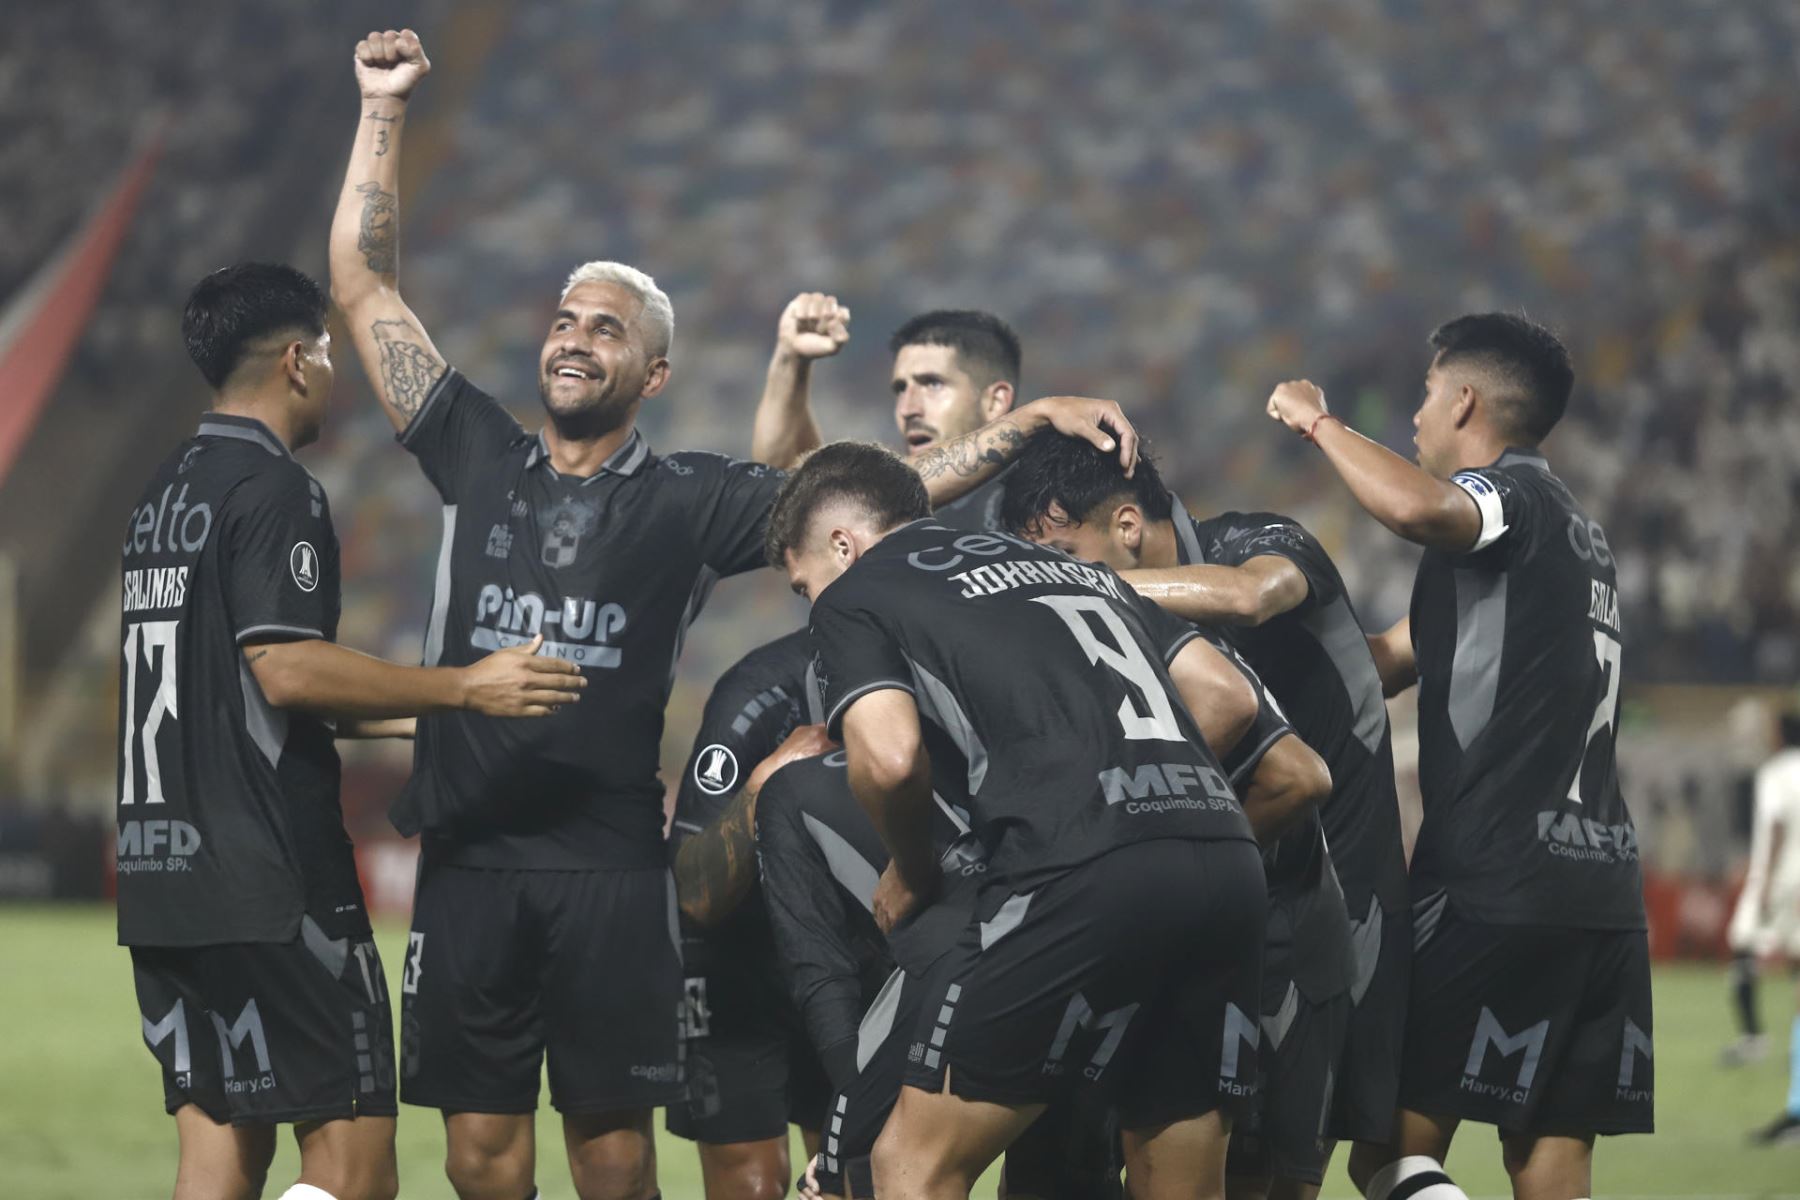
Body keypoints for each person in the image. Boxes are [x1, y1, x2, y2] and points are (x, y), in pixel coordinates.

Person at [328, 30, 1139, 1200]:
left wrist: (1034, 419)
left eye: (607, 328)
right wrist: (382, 106)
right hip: (468, 854)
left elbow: (874, 498)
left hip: (608, 864)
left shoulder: (689, 499)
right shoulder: (475, 450)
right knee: (476, 1158)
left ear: (652, 374)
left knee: (612, 1159)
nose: (573, 338)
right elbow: (363, 285)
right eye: (566, 318)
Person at [120, 263, 584, 1200]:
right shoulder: (276, 489)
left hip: (162, 879)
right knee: (355, 1167)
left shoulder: (162, 497)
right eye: (328, 351)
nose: (333, 370)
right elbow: (285, 668)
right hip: (270, 877)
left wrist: (441, 715)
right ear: (297, 360)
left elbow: (250, 690)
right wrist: (462, 683)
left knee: (220, 1155)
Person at [765, 439, 1276, 1200]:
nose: (813, 603)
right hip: (1221, 856)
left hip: (1074, 869)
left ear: (842, 544)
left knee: (908, 1165)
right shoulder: (1069, 567)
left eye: (805, 586)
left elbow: (891, 758)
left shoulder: (859, 591)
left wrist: (913, 867)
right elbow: (1226, 696)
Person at [1265, 313, 1652, 1200]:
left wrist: (1319, 422)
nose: (1416, 416)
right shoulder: (1576, 536)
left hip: (1494, 875)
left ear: (1467, 399)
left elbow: (1416, 507)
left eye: (1428, 395)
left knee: (1387, 1149)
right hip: (1601, 891)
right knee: (1549, 1158)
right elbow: (1398, 655)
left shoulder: (1506, 497)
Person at [1000, 434, 1366, 1200]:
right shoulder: (1113, 639)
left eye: (1065, 555)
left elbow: (1296, 769)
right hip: (1187, 927)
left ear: (1126, 526)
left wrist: (1172, 848)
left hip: (1294, 917)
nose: (1053, 582)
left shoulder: (1234, 565)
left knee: (1266, 1181)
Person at [665, 628, 835, 1199]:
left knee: (856, 1177)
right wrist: (766, 780)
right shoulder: (759, 689)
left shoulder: (920, 670)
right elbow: (694, 889)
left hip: (846, 955)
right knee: (751, 1185)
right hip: (736, 962)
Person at [753, 299, 1027, 530]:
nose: (908, 409)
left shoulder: (1049, 491)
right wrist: (791, 359)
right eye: (900, 388)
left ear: (995, 401)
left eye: (932, 383)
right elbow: (787, 488)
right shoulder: (893, 509)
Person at [1735, 709, 1800, 1144]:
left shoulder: (1777, 772)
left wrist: (1765, 886)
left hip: (1783, 884)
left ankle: (1756, 1039)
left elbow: (1775, 824)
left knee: (1743, 945)